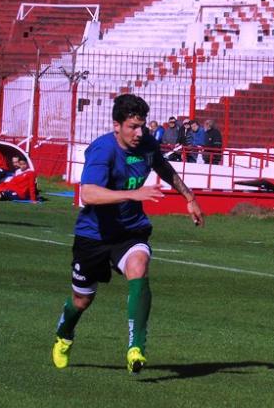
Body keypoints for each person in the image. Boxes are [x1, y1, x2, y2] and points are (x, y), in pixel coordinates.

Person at [51, 94, 204, 375]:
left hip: (129, 231)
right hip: (93, 235)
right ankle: (64, 333)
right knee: (81, 300)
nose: (139, 132)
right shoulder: (102, 150)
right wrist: (133, 194)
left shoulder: (147, 144)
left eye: (142, 126)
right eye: (133, 126)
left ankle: (136, 347)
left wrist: (189, 196)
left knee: (139, 266)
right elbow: (88, 193)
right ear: (116, 126)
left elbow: (163, 166)